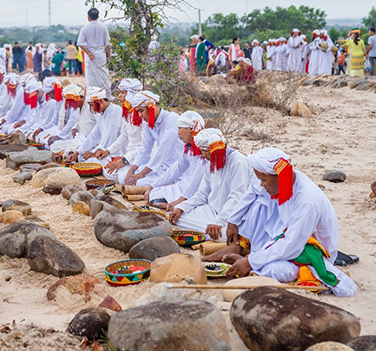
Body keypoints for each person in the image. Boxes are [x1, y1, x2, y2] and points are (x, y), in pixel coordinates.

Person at [224, 148, 357, 297]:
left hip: (310, 251)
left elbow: (292, 245)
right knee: (258, 205)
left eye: (263, 180)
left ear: (277, 176)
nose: (261, 184)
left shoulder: (306, 200)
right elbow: (254, 189)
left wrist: (250, 262)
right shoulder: (287, 180)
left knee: (272, 269)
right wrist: (232, 222)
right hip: (290, 241)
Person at [168, 128, 253, 241]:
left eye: (205, 151)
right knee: (176, 217)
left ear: (215, 149)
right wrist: (181, 208)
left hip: (232, 216)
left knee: (220, 233)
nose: (203, 155)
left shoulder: (238, 161)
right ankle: (209, 230)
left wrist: (218, 222)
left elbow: (237, 197)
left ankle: (214, 231)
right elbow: (202, 194)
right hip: (211, 210)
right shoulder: (210, 164)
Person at [144, 111, 207, 208]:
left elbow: (197, 181)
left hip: (198, 190)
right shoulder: (189, 148)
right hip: (185, 185)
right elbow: (176, 169)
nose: (178, 133)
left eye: (180, 128)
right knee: (154, 194)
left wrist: (179, 201)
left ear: (191, 129)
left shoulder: (204, 151)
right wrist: (152, 186)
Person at [121, 91, 183, 186]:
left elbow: (163, 150)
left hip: (173, 168)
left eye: (141, 111)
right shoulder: (149, 124)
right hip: (158, 167)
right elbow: (144, 150)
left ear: (151, 107)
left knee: (138, 182)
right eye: (138, 112)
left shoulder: (171, 118)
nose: (140, 115)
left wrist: (142, 173)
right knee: (123, 177)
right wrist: (132, 169)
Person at [67, 87, 123, 163]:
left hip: (115, 151)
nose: (92, 109)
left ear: (101, 101)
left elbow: (110, 138)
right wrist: (77, 152)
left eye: (92, 105)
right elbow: (94, 135)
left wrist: (94, 153)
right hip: (103, 150)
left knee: (91, 160)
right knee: (82, 157)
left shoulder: (115, 110)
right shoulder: (103, 114)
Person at [77, 8, 111, 93]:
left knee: (91, 77)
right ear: (98, 17)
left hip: (90, 55)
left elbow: (80, 43)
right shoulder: (103, 27)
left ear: (88, 17)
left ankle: (92, 94)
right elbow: (107, 44)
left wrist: (89, 53)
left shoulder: (84, 28)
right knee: (103, 76)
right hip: (101, 55)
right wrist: (109, 57)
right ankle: (105, 94)